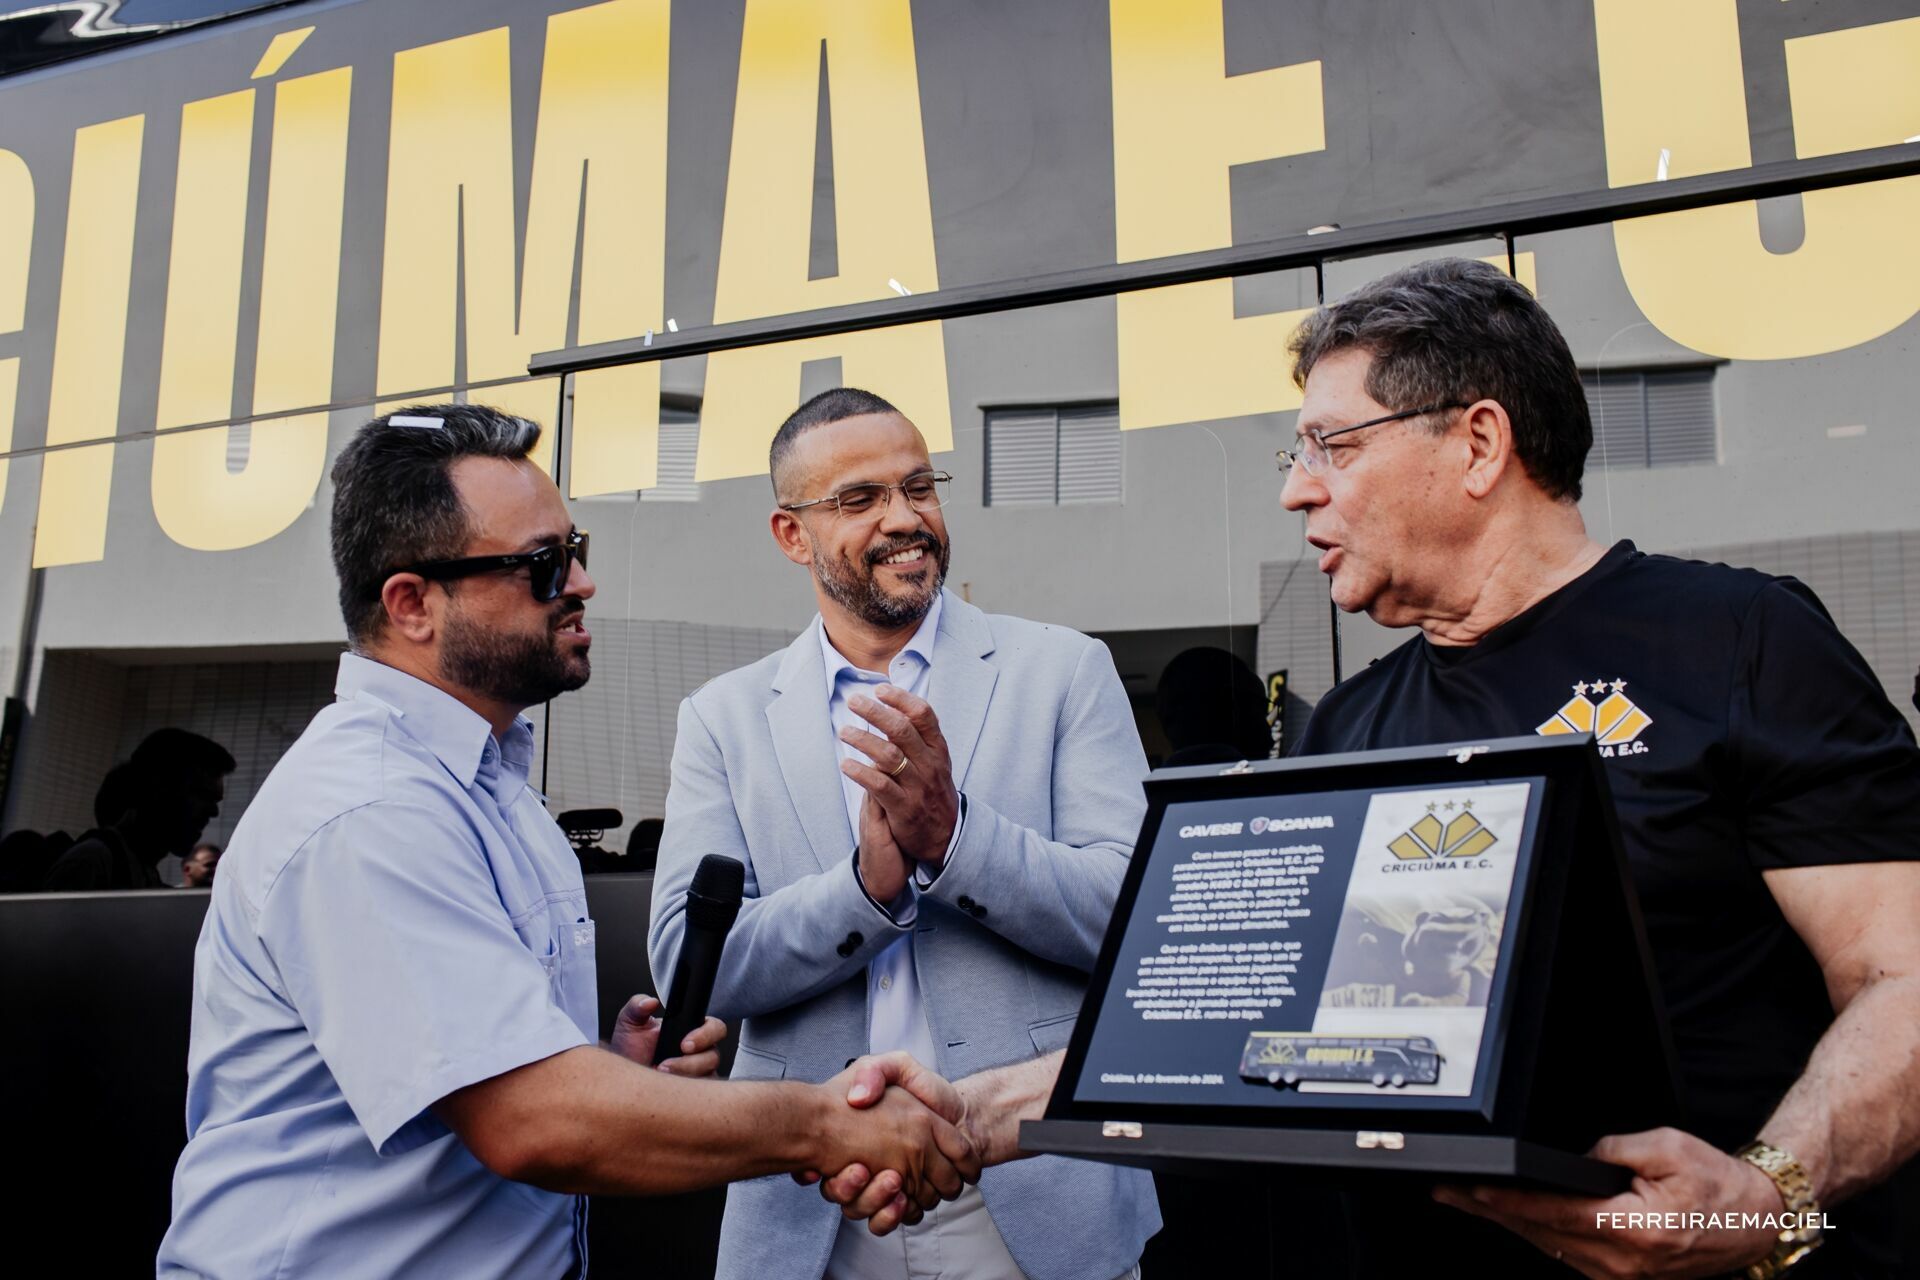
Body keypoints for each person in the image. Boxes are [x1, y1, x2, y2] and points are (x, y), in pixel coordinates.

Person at [160, 405, 977, 1279]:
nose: (582, 583)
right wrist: (830, 1123)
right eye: (544, 566)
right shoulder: (368, 811)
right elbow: (535, 1121)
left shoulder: (491, 790)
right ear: (412, 605)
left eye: (576, 549)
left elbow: (492, 1075)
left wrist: (607, 1073)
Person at [1266, 258, 1920, 1277]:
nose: (1296, 485)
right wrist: (986, 1111)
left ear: (1479, 442)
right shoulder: (1346, 724)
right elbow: (1251, 1020)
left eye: (1332, 445)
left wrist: (1766, 1193)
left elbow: (1901, 973)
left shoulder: (1743, 640)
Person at [649, 388, 1159, 1280]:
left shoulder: (1064, 671)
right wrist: (867, 891)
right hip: (810, 1209)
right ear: (790, 534)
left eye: (919, 487)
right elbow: (691, 966)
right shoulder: (723, 719)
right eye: (860, 499)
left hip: (1038, 1192)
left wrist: (954, 839)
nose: (904, 518)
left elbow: (1133, 917)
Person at [42, 730, 235, 891]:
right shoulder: (92, 863)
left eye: (215, 801)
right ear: (158, 788)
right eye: (201, 794)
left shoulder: (142, 872)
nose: (213, 812)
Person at [1153, 645, 1273, 767]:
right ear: (1231, 709)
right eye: (1260, 711)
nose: (1271, 739)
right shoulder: (1270, 784)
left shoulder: (1142, 784)